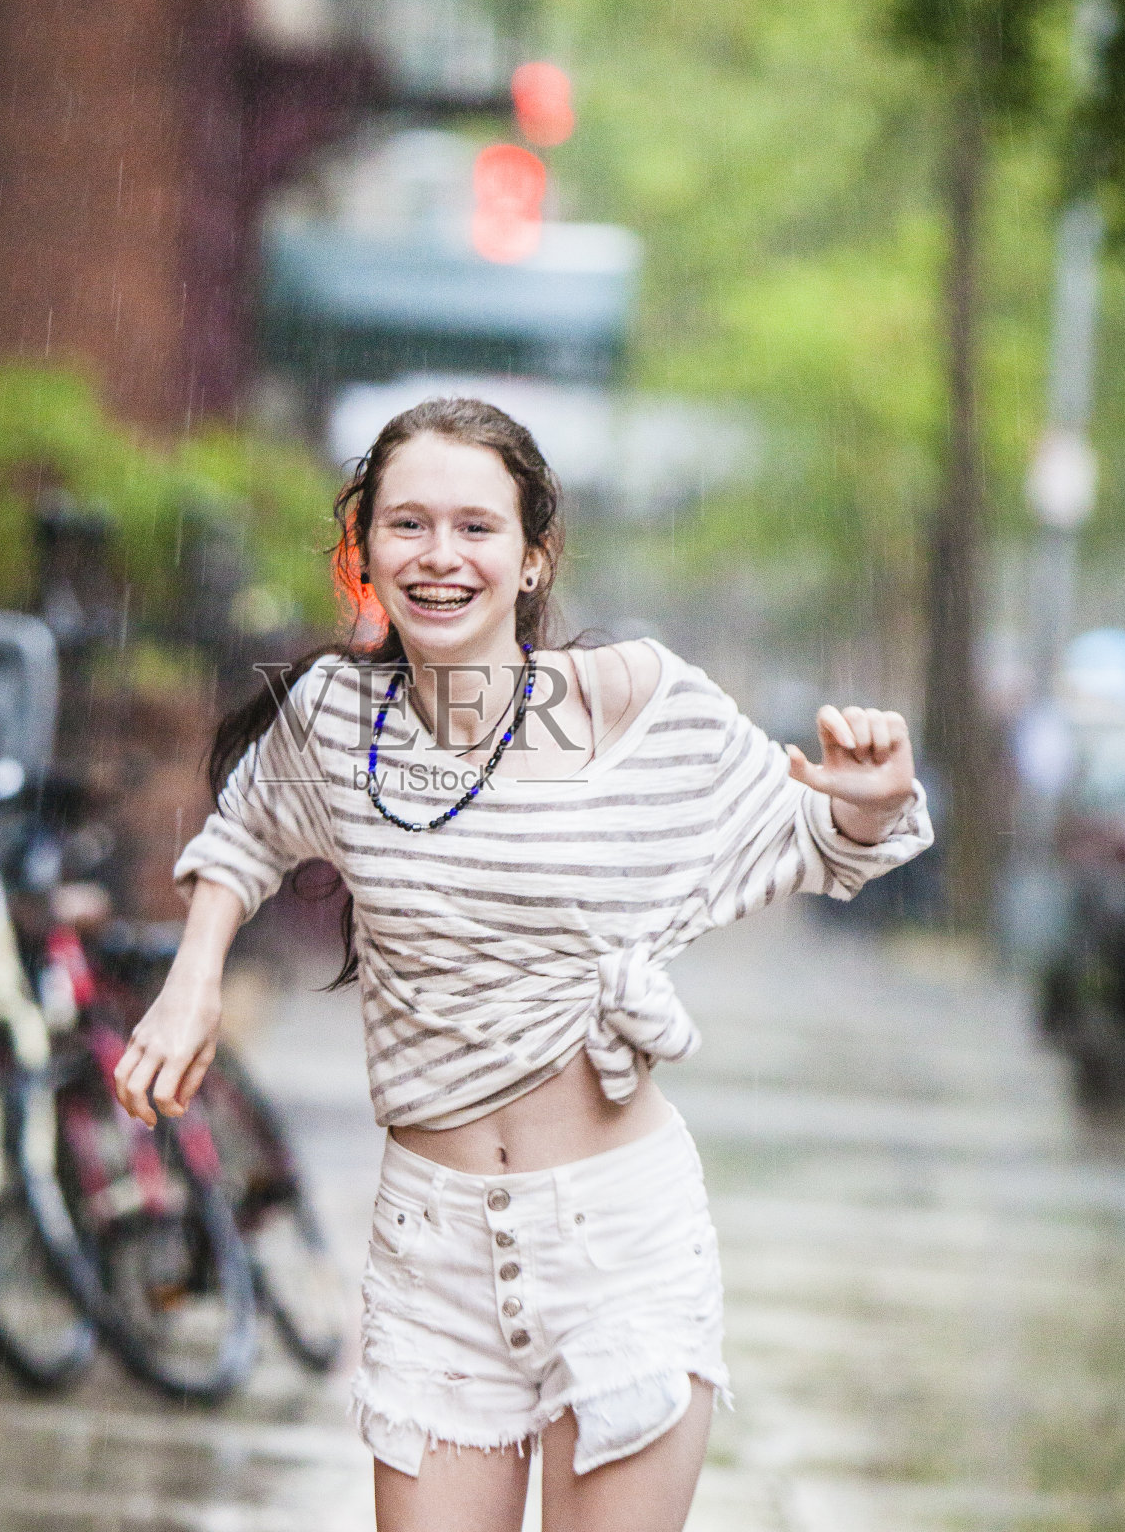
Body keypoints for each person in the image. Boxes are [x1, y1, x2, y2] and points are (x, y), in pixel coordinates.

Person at [114, 398, 932, 1532]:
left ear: (533, 554)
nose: (439, 557)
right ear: (363, 550)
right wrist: (193, 975)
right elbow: (247, 832)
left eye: (475, 527)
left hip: (617, 1244)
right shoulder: (337, 721)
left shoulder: (633, 705)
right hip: (429, 1251)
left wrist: (870, 797)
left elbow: (811, 834)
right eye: (407, 525)